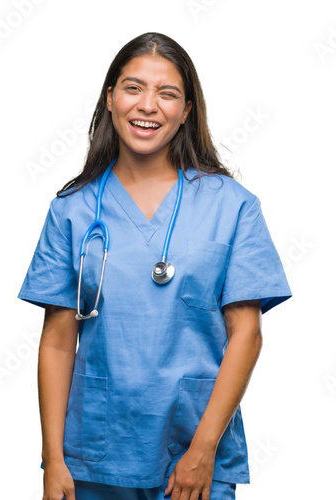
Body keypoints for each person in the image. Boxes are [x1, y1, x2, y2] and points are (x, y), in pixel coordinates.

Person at [18, 32, 292, 500]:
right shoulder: (72, 209)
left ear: (186, 111)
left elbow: (246, 335)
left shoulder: (232, 206)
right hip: (94, 455)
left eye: (167, 94)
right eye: (133, 88)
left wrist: (203, 452)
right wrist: (54, 459)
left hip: (192, 455)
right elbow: (59, 341)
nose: (148, 105)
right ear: (109, 99)